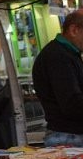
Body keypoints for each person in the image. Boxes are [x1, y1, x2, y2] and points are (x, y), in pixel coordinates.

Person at [31, 8, 83, 147]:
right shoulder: (58, 57)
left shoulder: (70, 54)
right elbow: (72, 103)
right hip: (69, 138)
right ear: (74, 30)